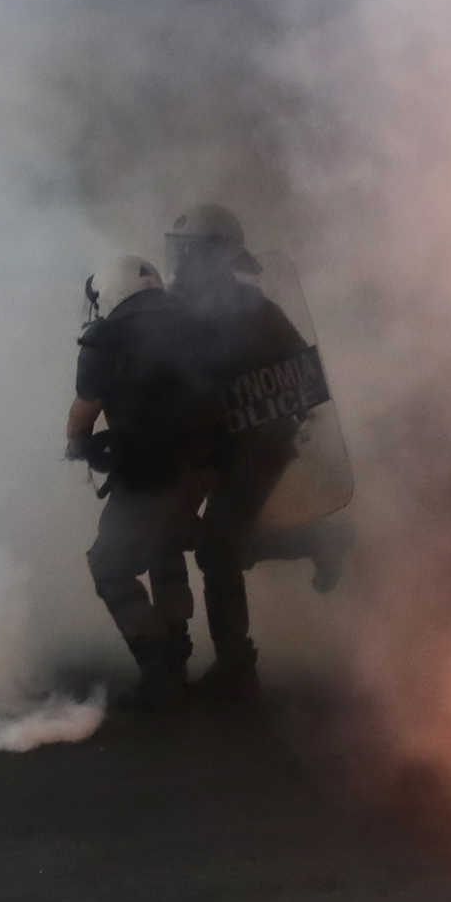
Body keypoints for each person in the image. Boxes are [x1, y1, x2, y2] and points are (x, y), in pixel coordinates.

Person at [166, 203, 307, 696]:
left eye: (191, 252)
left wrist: (266, 418)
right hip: (207, 445)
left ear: (219, 255)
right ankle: (321, 543)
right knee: (187, 535)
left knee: (217, 546)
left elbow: (302, 377)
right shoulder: (172, 308)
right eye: (177, 250)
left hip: (255, 447)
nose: (180, 262)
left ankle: (236, 667)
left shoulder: (257, 310)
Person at [67, 254, 211, 710]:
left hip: (150, 471)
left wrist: (79, 445)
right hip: (206, 463)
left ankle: (159, 669)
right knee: (166, 544)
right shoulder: (195, 319)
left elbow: (83, 413)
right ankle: (178, 647)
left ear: (109, 292)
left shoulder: (105, 338)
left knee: (108, 565)